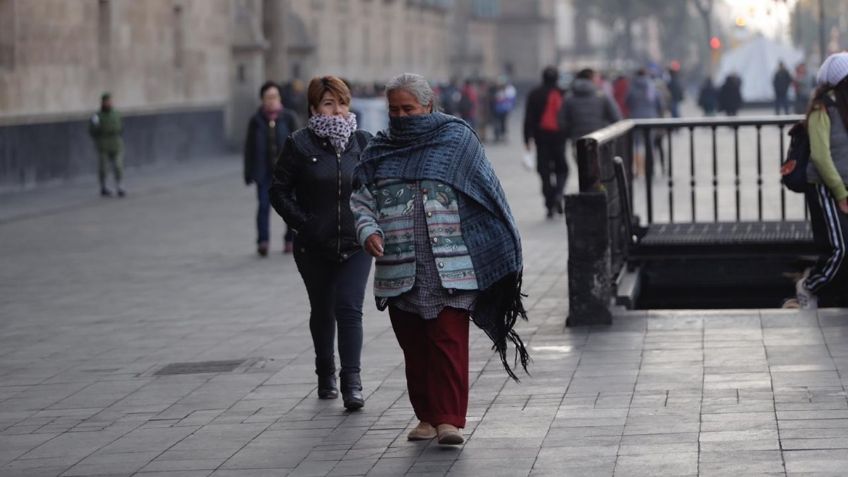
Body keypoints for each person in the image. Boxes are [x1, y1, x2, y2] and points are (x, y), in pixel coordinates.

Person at [351, 73, 529, 446]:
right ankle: (426, 418)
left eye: (408, 109)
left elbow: (483, 193)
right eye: (394, 110)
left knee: (447, 342)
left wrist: (492, 242)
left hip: (452, 265)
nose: (401, 117)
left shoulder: (457, 140)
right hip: (399, 267)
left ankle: (449, 420)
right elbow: (362, 201)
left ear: (428, 106)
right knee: (415, 347)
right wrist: (367, 231)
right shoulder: (378, 151)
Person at [270, 76, 373, 410]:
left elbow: (377, 187)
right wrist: (304, 224)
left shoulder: (363, 142)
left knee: (349, 307)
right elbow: (279, 191)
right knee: (323, 309)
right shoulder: (300, 144)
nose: (338, 110)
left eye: (342, 102)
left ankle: (352, 381)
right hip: (314, 245)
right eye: (329, 103)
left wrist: (372, 224)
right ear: (314, 107)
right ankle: (325, 371)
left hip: (356, 243)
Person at [793, 53, 848, 309]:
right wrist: (840, 193)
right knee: (839, 249)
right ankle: (809, 286)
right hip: (826, 188)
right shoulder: (821, 109)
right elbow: (821, 156)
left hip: (842, 187)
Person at [244, 81, 298, 256]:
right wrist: (249, 172)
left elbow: (299, 144)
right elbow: (249, 148)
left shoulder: (289, 117)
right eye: (267, 97)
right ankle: (263, 241)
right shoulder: (256, 120)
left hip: (287, 172)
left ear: (279, 98)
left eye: (274, 97)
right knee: (263, 206)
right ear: (262, 99)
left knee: (289, 206)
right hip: (264, 171)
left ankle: (290, 239)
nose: (271, 101)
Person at [524, 66, 567, 218]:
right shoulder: (563, 93)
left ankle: (549, 204)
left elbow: (528, 118)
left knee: (544, 171)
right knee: (562, 168)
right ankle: (559, 193)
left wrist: (527, 139)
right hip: (560, 137)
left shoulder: (534, 94)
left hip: (541, 138)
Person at [559, 68, 621, 142]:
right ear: (592, 78)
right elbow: (616, 118)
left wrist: (570, 133)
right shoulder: (602, 96)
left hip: (577, 138)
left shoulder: (569, 97)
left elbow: (562, 119)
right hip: (599, 137)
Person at [626, 68, 662, 177]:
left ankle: (639, 170)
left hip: (636, 119)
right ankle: (649, 169)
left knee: (637, 145)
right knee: (650, 144)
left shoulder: (632, 87)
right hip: (651, 118)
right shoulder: (651, 86)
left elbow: (628, 102)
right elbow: (659, 103)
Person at [89, 92, 125, 197]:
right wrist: (98, 139)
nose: (108, 103)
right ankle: (103, 186)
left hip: (116, 142)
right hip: (103, 143)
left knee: (118, 165)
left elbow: (121, 127)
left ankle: (120, 186)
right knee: (103, 167)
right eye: (106, 101)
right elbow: (92, 130)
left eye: (109, 101)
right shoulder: (97, 116)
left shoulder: (116, 113)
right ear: (102, 102)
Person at [493, 76, 517, 142]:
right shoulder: (496, 90)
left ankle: (503, 136)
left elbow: (511, 100)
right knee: (498, 123)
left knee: (503, 123)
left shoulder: (509, 90)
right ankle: (498, 136)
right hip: (498, 110)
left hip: (504, 109)